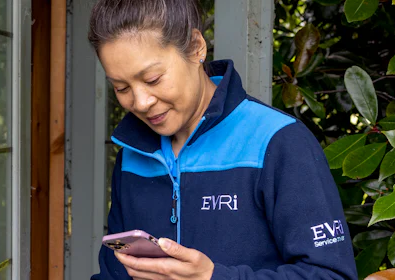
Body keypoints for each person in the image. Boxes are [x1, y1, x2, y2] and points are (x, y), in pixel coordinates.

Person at [88, 0, 357, 279]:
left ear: (195, 48)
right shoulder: (132, 154)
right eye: (121, 87)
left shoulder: (278, 142)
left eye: (153, 79)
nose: (141, 102)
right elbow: (113, 272)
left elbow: (332, 275)